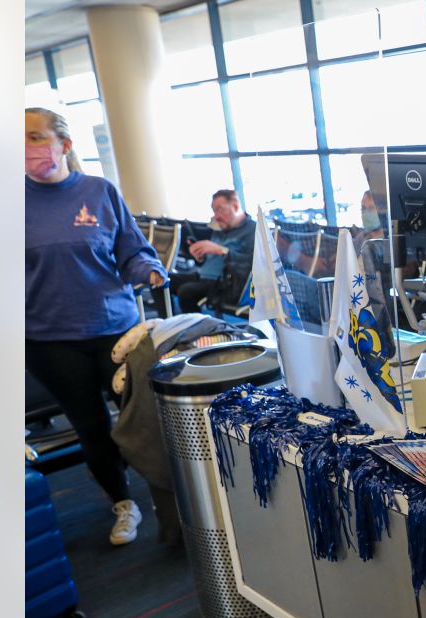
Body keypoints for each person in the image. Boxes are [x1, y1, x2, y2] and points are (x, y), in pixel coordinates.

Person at [25, 107, 166, 545]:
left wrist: (150, 270)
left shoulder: (99, 192)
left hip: (115, 332)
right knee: (90, 427)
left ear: (63, 144)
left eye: (34, 137)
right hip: (50, 339)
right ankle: (123, 504)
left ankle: (169, 495)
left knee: (140, 420)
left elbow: (132, 250)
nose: (25, 148)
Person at [173, 189, 256, 313]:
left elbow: (251, 264)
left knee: (186, 292)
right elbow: (210, 261)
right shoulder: (220, 228)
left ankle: (199, 329)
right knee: (163, 279)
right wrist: (200, 258)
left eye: (220, 209)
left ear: (235, 206)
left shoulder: (252, 230)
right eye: (214, 211)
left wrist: (222, 250)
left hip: (223, 283)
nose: (216, 216)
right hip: (202, 275)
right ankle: (166, 324)